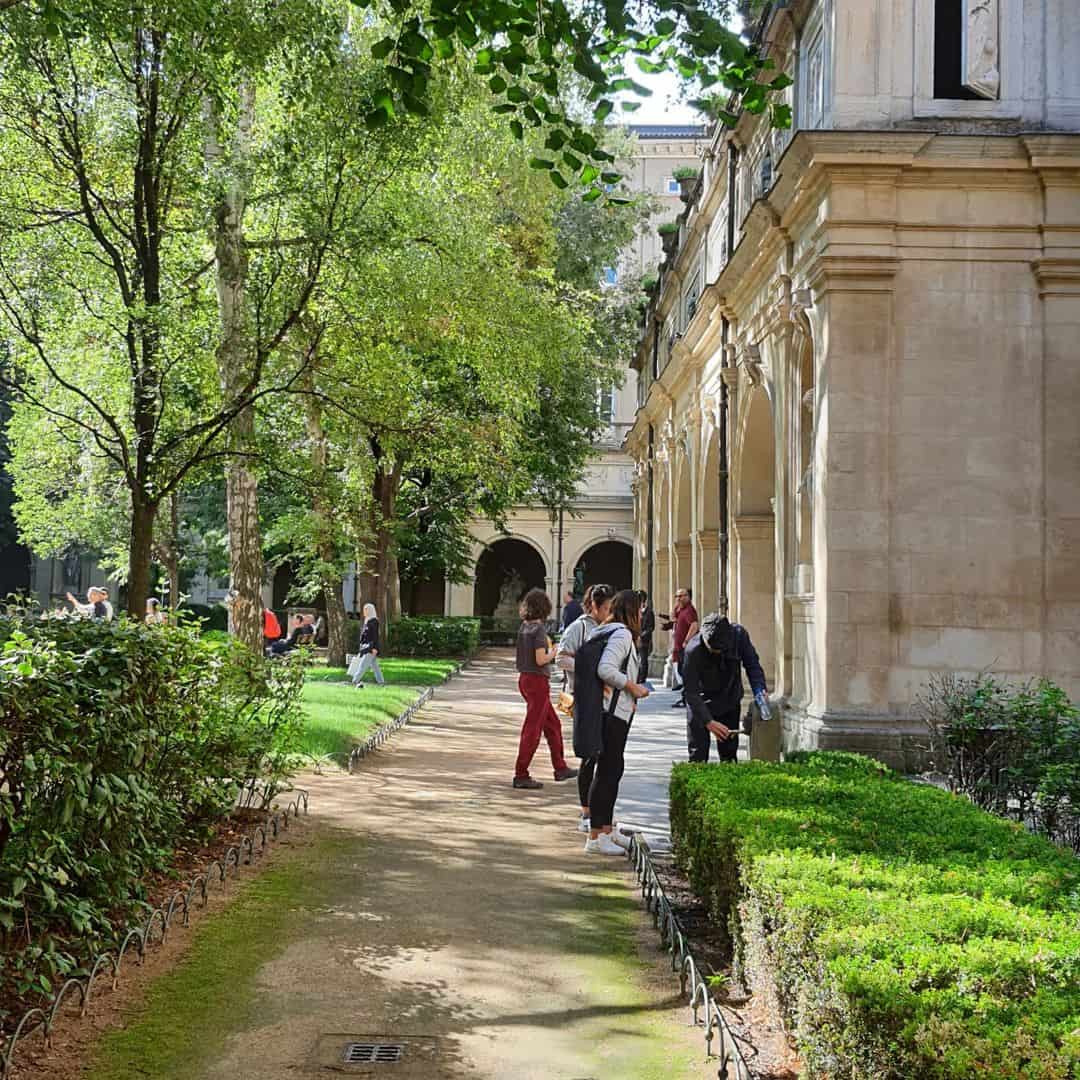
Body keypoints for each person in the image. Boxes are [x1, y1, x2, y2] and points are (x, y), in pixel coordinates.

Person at [584, 588, 650, 854]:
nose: (643, 614)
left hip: (610, 711)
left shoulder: (604, 630)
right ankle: (596, 836)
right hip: (612, 714)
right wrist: (632, 687)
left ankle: (606, 830)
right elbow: (605, 669)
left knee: (611, 770)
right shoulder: (622, 635)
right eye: (640, 609)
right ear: (632, 611)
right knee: (608, 772)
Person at [555, 583, 614, 832]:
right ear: (595, 606)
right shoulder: (578, 627)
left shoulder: (608, 627)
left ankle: (599, 813)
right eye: (608, 607)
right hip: (584, 698)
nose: (610, 612)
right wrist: (588, 669)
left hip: (604, 699)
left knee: (603, 754)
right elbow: (561, 657)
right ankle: (586, 813)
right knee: (589, 756)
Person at [513, 587, 578, 790]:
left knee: (552, 725)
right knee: (532, 729)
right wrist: (555, 652)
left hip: (525, 679)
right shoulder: (538, 629)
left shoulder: (524, 627)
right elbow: (541, 659)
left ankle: (560, 767)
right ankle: (521, 774)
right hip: (537, 682)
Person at [682, 612, 767, 763]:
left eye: (721, 648)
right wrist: (708, 722)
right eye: (713, 648)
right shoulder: (692, 650)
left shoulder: (739, 636)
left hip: (729, 699)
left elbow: (753, 666)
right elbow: (691, 692)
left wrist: (760, 693)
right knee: (697, 756)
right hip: (701, 704)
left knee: (729, 755)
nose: (717, 652)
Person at [661, 587, 698, 708]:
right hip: (677, 648)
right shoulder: (681, 610)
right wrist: (676, 606)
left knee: (685, 675)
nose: (679, 598)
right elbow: (673, 618)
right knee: (681, 673)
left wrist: (686, 641)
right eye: (677, 596)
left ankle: (687, 699)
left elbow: (694, 625)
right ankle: (685, 697)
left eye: (682, 596)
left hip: (684, 648)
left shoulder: (689, 611)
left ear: (688, 597)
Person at [349, 603, 385, 687]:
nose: (364, 611)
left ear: (370, 610)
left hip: (371, 648)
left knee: (363, 665)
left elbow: (375, 636)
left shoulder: (374, 621)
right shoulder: (367, 621)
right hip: (366, 647)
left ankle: (354, 681)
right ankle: (381, 682)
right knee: (375, 667)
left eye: (365, 610)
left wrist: (375, 648)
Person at [637, 590, 655, 686]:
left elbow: (651, 627)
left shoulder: (649, 612)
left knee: (643, 659)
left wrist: (642, 636)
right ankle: (637, 676)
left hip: (644, 640)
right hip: (635, 638)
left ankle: (642, 678)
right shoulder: (636, 610)